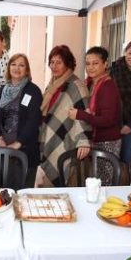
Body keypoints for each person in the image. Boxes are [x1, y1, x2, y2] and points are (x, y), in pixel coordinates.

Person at [40, 45, 92, 187]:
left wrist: (83, 141)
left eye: (59, 62)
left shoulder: (76, 85)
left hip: (64, 139)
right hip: (49, 136)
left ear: (67, 63)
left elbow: (83, 114)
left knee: (62, 184)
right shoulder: (53, 84)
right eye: (52, 62)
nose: (54, 66)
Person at [69, 46, 122, 185]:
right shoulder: (88, 83)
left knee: (104, 183)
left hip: (107, 142)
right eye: (88, 63)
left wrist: (80, 115)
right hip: (93, 139)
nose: (90, 67)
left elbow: (108, 120)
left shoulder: (108, 86)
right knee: (93, 181)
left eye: (95, 63)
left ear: (105, 64)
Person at [0, 53, 43, 188]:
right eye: (13, 64)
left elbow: (33, 121)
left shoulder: (33, 91)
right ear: (9, 68)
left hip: (25, 150)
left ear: (27, 70)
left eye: (21, 65)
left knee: (23, 193)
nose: (17, 68)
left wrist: (18, 143)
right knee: (2, 191)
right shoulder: (1, 91)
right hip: (3, 149)